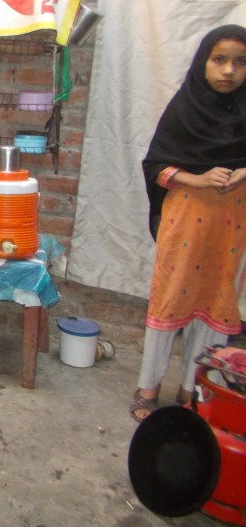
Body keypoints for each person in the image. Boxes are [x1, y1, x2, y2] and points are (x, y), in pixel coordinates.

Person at [130, 24, 246, 422]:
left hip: (232, 224)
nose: (229, 70)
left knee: (217, 300)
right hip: (186, 220)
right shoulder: (184, 109)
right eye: (219, 59)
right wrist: (198, 178)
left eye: (240, 62)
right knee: (171, 299)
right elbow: (155, 166)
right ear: (203, 63)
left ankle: (196, 387)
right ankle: (148, 386)